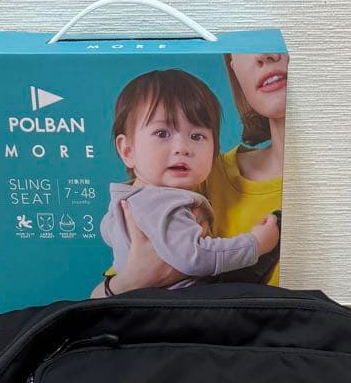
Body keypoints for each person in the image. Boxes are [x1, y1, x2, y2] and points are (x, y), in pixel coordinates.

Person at [99, 51, 288, 296]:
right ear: (127, 150)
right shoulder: (166, 198)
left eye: (197, 136)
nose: (182, 148)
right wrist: (255, 244)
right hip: (177, 311)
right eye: (162, 133)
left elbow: (109, 236)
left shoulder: (132, 199)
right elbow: (194, 257)